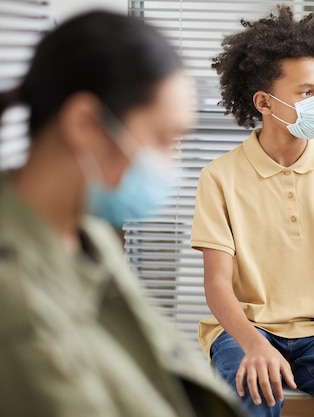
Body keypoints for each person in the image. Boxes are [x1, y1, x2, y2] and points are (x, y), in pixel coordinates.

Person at [0, 11, 248, 417]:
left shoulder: (87, 234)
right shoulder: (16, 308)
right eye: (163, 139)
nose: (171, 166)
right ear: (84, 124)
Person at [191, 5, 314, 417]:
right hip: (246, 328)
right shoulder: (220, 177)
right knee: (251, 399)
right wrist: (254, 344)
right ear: (264, 102)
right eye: (306, 92)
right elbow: (217, 285)